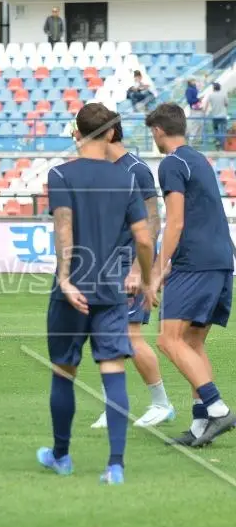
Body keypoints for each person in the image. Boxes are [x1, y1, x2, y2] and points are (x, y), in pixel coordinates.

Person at [37, 102, 155, 486]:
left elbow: (64, 228)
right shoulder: (126, 179)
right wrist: (147, 279)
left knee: (64, 372)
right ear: (110, 134)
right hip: (111, 290)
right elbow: (143, 237)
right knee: (113, 371)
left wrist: (67, 278)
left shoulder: (60, 173)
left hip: (72, 291)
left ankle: (61, 456)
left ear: (77, 133)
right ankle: (115, 465)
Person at [146, 103, 236, 447]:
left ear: (157, 131)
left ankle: (216, 407)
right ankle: (201, 427)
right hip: (218, 259)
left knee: (168, 339)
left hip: (195, 261)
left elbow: (178, 220)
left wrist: (156, 271)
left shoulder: (171, 163)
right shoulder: (199, 159)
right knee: (193, 342)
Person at [90, 112, 174, 430]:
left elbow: (152, 222)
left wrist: (141, 269)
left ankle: (161, 403)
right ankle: (115, 406)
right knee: (107, 336)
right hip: (106, 266)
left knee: (129, 334)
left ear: (110, 134)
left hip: (129, 264)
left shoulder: (136, 170)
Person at [205, 82, 229, 149]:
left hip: (215, 116)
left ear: (213, 88)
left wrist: (204, 113)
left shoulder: (211, 95)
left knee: (216, 129)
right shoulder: (224, 95)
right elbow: (226, 104)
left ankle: (218, 141)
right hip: (223, 115)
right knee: (223, 130)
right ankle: (223, 144)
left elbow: (207, 105)